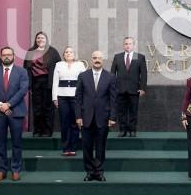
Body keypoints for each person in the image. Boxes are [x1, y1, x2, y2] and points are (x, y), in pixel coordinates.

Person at [0, 46, 29, 181]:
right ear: (1, 56)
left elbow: (23, 90)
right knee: (0, 142)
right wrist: (1, 105)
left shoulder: (22, 72)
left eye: (9, 54)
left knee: (16, 142)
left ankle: (16, 170)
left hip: (15, 111)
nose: (6, 56)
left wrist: (8, 104)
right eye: (4, 54)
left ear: (13, 56)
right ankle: (2, 170)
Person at [76, 50, 117, 182]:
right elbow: (78, 98)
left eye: (99, 58)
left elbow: (113, 99)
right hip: (86, 117)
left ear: (103, 59)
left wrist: (112, 117)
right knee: (87, 147)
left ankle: (99, 172)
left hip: (103, 118)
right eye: (94, 58)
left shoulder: (110, 77)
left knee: (100, 147)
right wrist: (78, 116)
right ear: (91, 59)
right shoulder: (83, 76)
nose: (97, 60)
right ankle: (89, 172)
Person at [24, 31, 61, 137]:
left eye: (42, 38)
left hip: (48, 83)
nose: (40, 40)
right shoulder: (30, 51)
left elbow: (59, 66)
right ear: (36, 40)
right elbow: (26, 68)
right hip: (35, 83)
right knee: (37, 108)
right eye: (38, 38)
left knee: (48, 107)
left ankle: (47, 131)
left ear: (46, 40)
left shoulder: (52, 51)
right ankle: (37, 131)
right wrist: (28, 84)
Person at [110, 36, 147, 137]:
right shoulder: (117, 57)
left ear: (133, 45)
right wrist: (112, 88)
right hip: (120, 89)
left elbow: (143, 74)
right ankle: (122, 130)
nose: (128, 45)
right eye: (126, 43)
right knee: (121, 111)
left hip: (134, 89)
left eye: (130, 43)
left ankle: (132, 130)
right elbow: (112, 74)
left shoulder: (139, 57)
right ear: (123, 45)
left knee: (133, 111)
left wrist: (142, 88)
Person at [53, 47, 87, 156]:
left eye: (71, 52)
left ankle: (73, 147)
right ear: (64, 54)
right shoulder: (59, 65)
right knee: (64, 123)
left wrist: (83, 98)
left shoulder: (80, 65)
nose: (68, 53)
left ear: (74, 54)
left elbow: (84, 82)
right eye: (66, 52)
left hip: (76, 97)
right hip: (62, 97)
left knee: (75, 123)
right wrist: (55, 98)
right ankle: (65, 147)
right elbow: (55, 82)